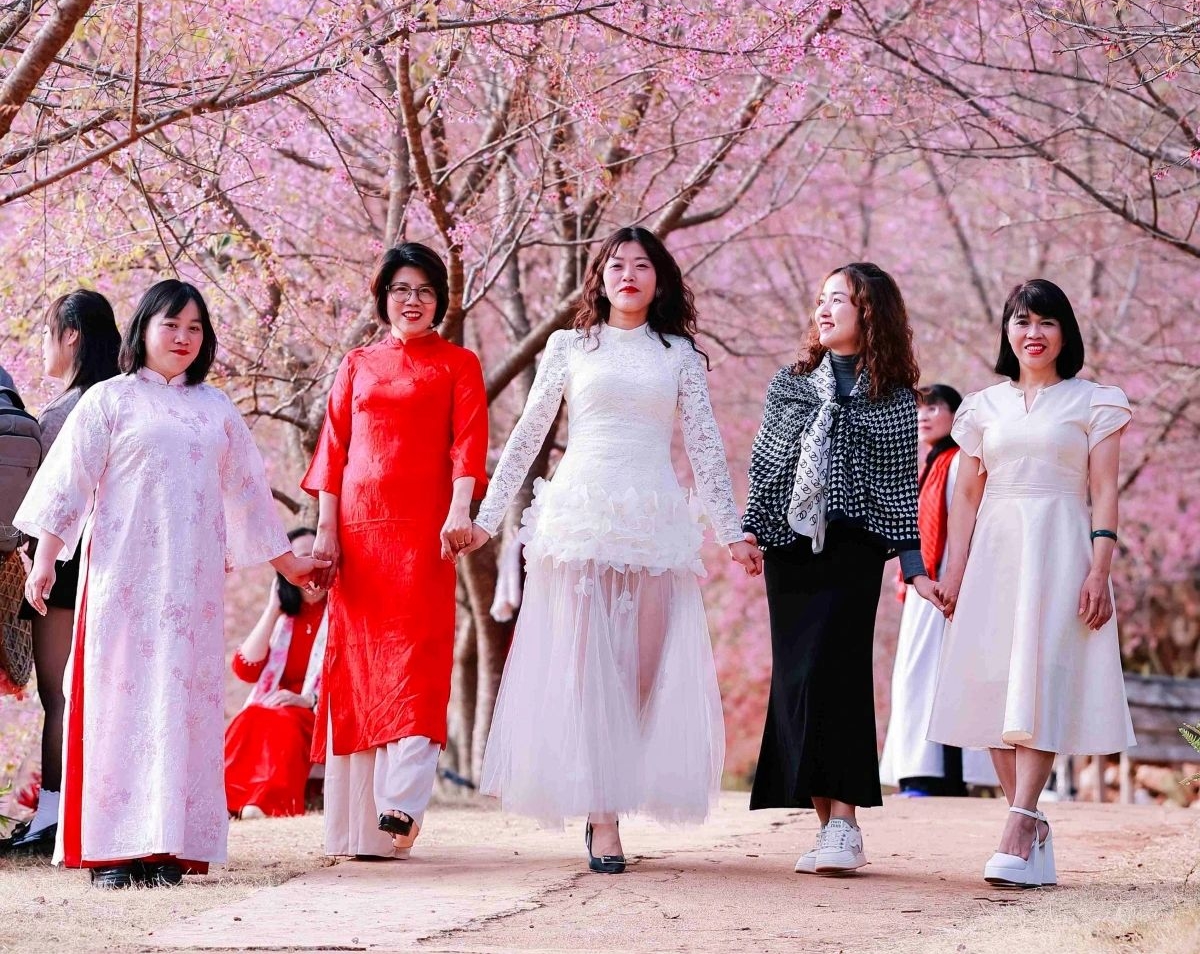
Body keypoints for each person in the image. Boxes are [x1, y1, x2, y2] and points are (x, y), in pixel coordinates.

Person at [463, 226, 761, 873]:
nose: (628, 274)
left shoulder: (678, 354)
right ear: (599, 277)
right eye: (617, 265)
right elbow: (525, 437)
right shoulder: (570, 347)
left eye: (642, 265)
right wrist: (486, 521)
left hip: (653, 521)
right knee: (586, 667)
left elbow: (706, 447)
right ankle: (604, 818)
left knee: (642, 672)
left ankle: (615, 792)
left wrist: (732, 530)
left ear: (659, 280)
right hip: (578, 520)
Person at [15, 279, 325, 888]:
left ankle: (167, 849)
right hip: (121, 583)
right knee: (119, 706)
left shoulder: (216, 410)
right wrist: (47, 558)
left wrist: (291, 567)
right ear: (143, 330)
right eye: (171, 325)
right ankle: (114, 851)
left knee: (181, 712)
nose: (183, 338)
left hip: (192, 592)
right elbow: (68, 484)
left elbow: (249, 499)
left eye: (195, 329)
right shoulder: (109, 400)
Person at [929, 278, 1133, 887]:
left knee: (1038, 677)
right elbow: (966, 495)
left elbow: (1104, 490)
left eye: (1045, 322)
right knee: (995, 681)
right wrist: (952, 573)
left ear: (1064, 331)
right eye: (1021, 321)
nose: (1032, 333)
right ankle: (1031, 821)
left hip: (1061, 548)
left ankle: (1018, 824)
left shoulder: (1094, 401)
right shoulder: (981, 407)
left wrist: (1100, 569)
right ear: (1007, 332)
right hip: (994, 549)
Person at [743, 262, 942, 877]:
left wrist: (915, 568)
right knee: (799, 682)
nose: (824, 310)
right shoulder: (791, 382)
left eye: (840, 301)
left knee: (840, 674)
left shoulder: (892, 397)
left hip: (853, 552)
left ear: (870, 313)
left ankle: (847, 824)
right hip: (791, 549)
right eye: (822, 300)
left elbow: (897, 491)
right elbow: (767, 460)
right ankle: (826, 825)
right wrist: (750, 528)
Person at [303, 242, 488, 860]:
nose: (412, 301)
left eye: (425, 291)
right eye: (401, 289)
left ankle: (402, 801)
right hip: (358, 533)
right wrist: (326, 531)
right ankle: (362, 833)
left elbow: (468, 447)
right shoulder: (355, 364)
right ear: (383, 296)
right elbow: (332, 453)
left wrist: (460, 509)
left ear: (440, 299)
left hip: (421, 536)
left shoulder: (459, 364)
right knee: (359, 666)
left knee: (418, 656)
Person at [1, 292, 122, 859]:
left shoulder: (62, 413)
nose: (41, 346)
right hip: (121, 566)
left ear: (70, 334)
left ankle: (52, 816)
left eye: (47, 332)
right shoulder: (127, 398)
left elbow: (43, 507)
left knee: (61, 698)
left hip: (64, 572)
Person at [880, 384, 995, 797]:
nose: (924, 415)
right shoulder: (930, 464)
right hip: (925, 584)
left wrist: (952, 581)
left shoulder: (959, 461)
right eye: (919, 409)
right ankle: (921, 769)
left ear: (955, 415)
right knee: (918, 672)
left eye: (934, 407)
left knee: (933, 672)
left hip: (946, 586)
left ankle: (936, 773)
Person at [224, 526, 329, 820]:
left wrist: (307, 700)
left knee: (281, 719)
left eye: (318, 556)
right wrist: (273, 608)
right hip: (274, 709)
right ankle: (228, 800)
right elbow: (245, 669)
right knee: (250, 716)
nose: (311, 566)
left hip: (318, 713)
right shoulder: (285, 620)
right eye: (301, 559)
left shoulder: (341, 614)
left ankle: (267, 803)